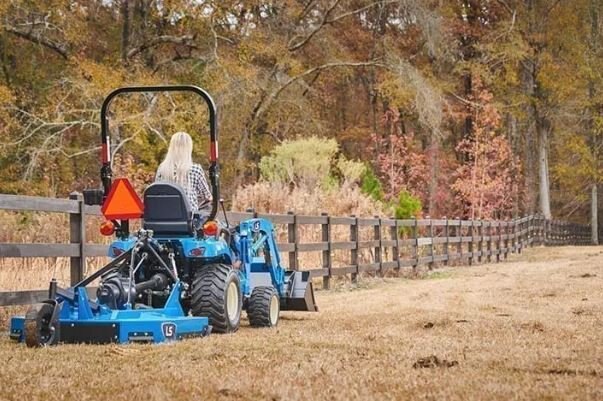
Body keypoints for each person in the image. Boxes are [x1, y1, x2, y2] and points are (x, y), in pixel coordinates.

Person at [155, 132, 212, 214]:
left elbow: (157, 193)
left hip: (164, 216)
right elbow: (207, 197)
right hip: (187, 219)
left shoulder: (162, 169)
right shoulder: (195, 169)